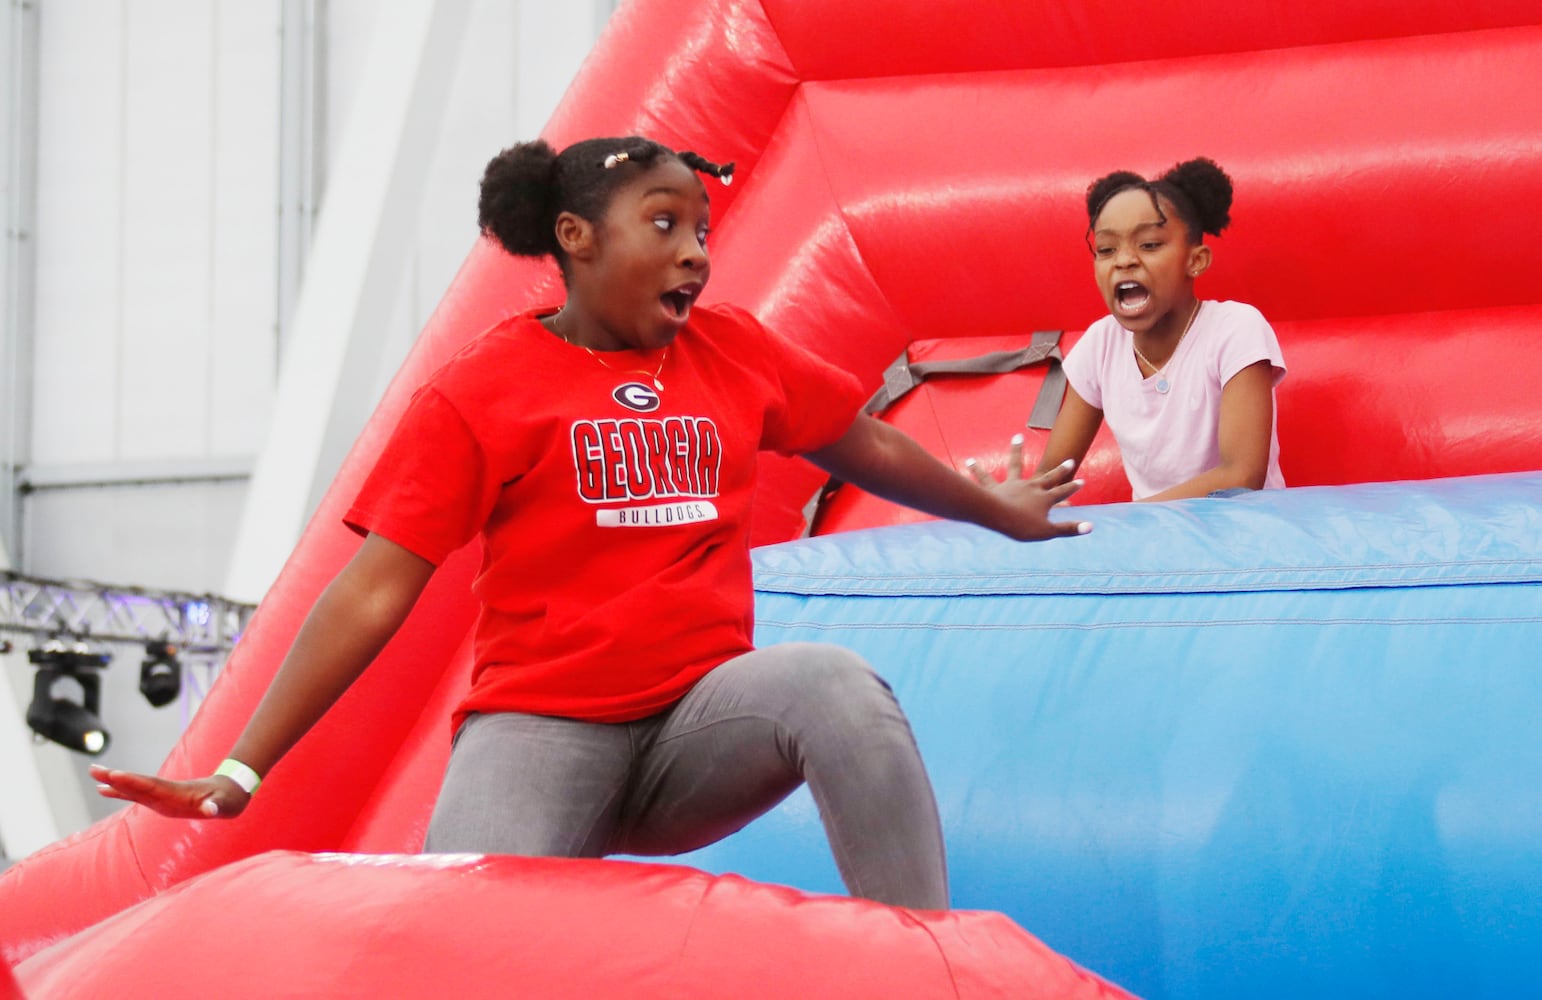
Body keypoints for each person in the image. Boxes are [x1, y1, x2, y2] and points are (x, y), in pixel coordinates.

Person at [91, 136, 1092, 912]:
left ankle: (922, 959)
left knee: (836, 686)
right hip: (542, 731)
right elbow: (373, 588)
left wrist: (997, 513)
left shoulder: (733, 353)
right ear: (576, 237)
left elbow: (862, 445)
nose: (696, 251)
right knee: (465, 933)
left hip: (700, 722)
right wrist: (239, 765)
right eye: (664, 224)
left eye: (703, 229)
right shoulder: (483, 389)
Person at [1013, 158, 1285, 502]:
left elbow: (1240, 475)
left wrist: (1133, 520)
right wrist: (1014, 500)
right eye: (1106, 249)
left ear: (1195, 260)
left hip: (1240, 537)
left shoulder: (1235, 329)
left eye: (1149, 245)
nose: (1123, 260)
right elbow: (1053, 476)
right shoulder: (1100, 345)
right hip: (1155, 542)